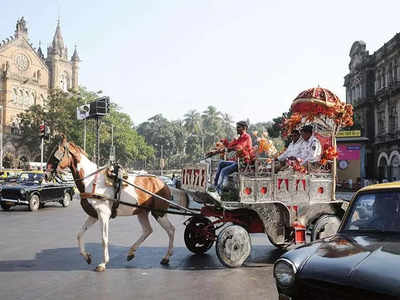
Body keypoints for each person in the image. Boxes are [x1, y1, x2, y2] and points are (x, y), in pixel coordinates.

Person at [206, 120, 252, 194]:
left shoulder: (247, 137)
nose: (236, 129)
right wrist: (214, 151)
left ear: (244, 128)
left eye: (238, 127)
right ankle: (214, 185)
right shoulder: (239, 138)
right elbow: (229, 146)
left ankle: (218, 190)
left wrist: (225, 149)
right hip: (237, 162)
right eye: (236, 127)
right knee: (221, 163)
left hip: (243, 163)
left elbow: (238, 147)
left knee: (224, 171)